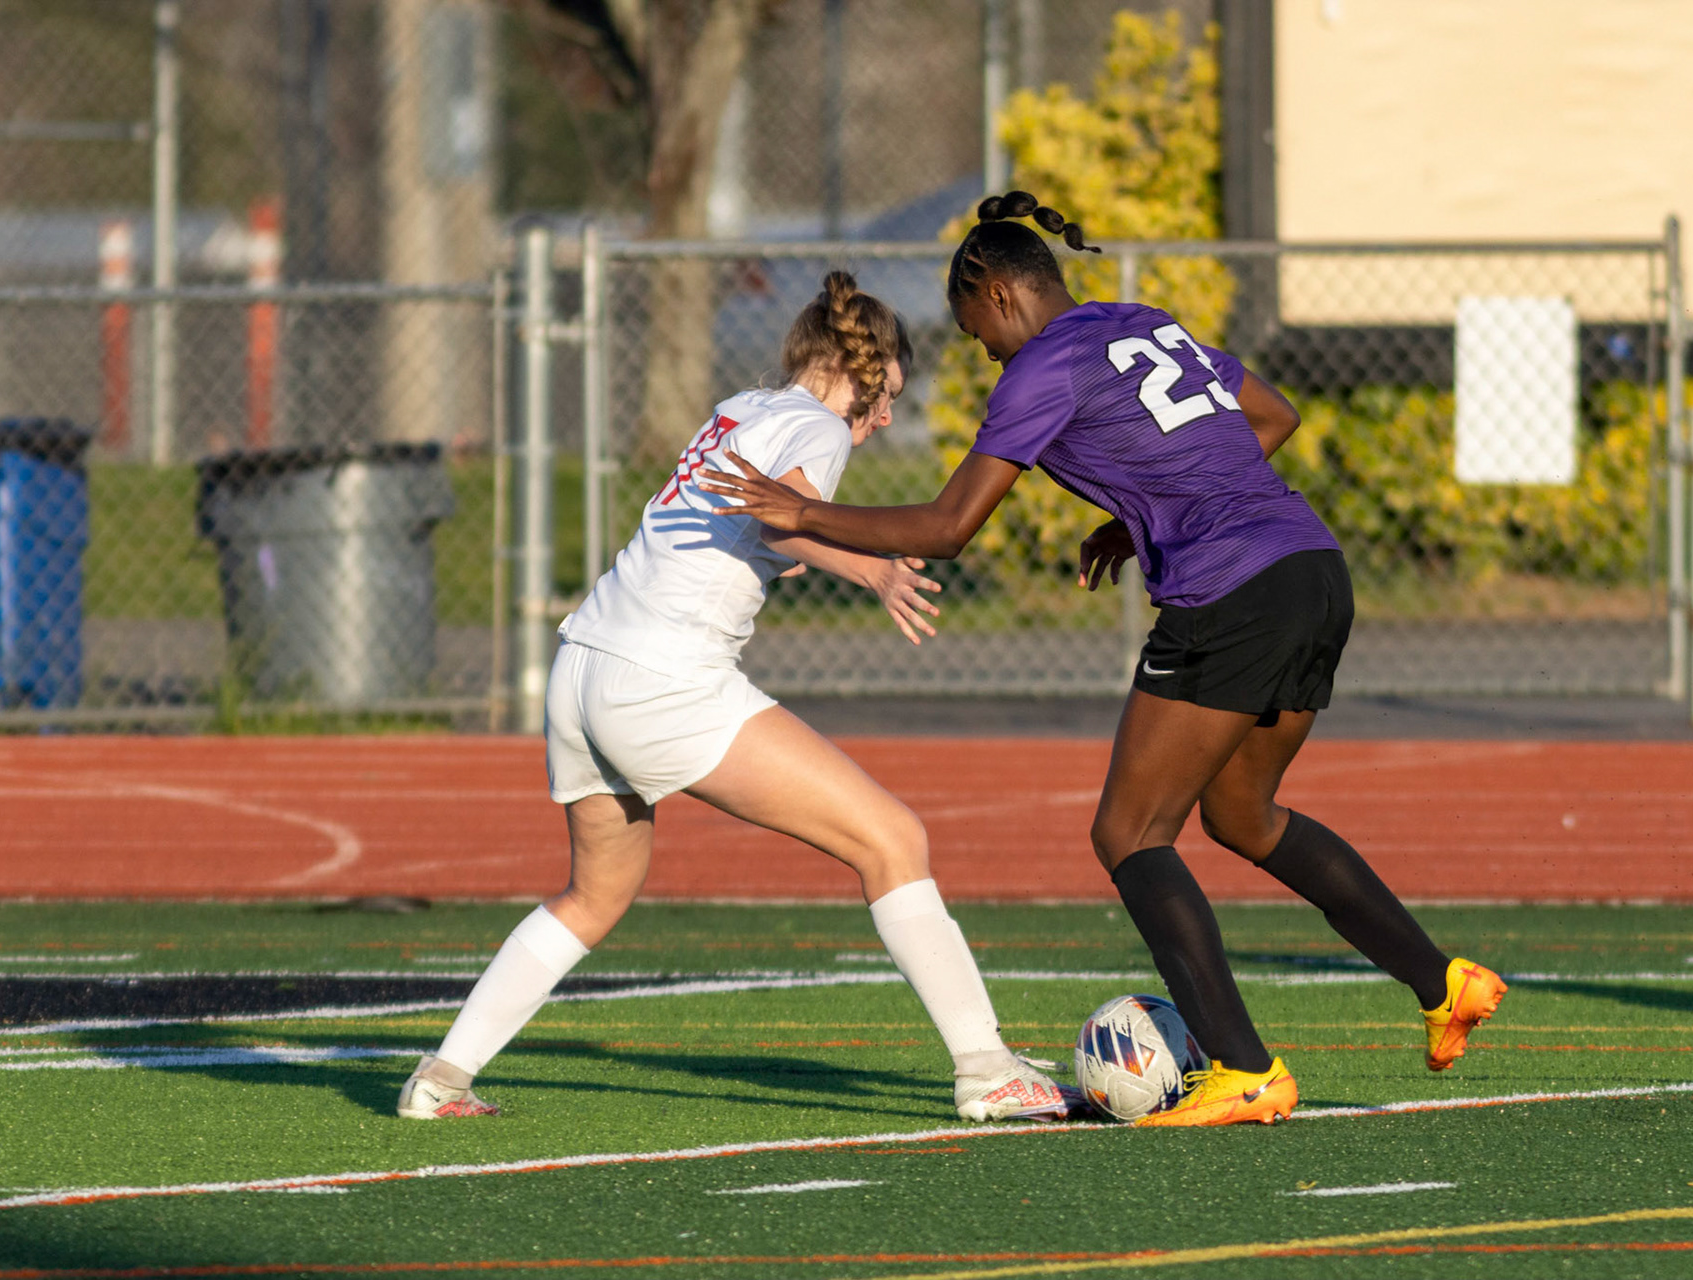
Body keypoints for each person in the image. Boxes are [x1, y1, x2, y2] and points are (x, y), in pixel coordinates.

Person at [700, 192, 1507, 1128]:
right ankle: (1441, 982)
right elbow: (1273, 416)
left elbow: (948, 526)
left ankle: (1245, 1069)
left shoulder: (1039, 368)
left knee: (1130, 833)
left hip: (1231, 592)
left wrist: (803, 512)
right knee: (1244, 816)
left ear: (998, 292)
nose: (983, 352)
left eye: (973, 330)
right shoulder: (1142, 322)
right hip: (1312, 569)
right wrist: (1145, 515)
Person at [398, 271, 1065, 1123]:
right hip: (663, 677)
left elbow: (764, 522)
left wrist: (845, 562)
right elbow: (789, 519)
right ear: (859, 371)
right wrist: (873, 568)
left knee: (593, 897)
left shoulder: (743, 408)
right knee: (893, 838)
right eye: (891, 393)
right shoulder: (818, 425)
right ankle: (987, 1069)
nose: (888, 417)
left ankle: (442, 1078)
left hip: (584, 663)